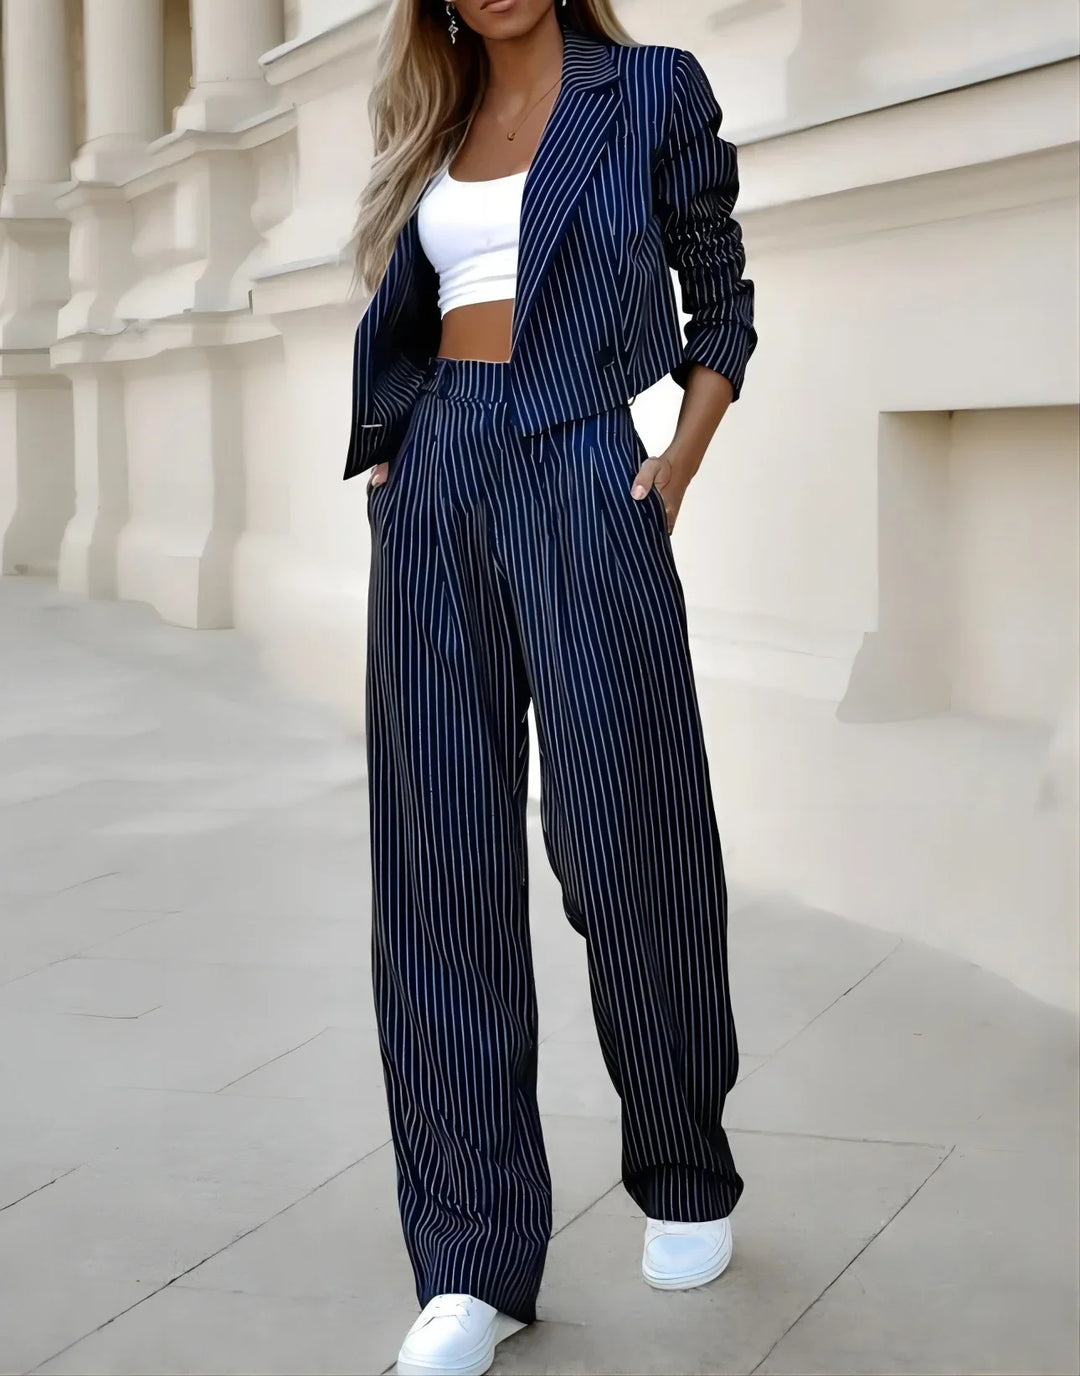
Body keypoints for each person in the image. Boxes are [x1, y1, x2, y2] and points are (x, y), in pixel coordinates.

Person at [346, 1, 756, 1371]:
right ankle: (470, 1258)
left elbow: (722, 293)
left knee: (623, 837)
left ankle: (685, 1163)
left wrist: (676, 462)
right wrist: (401, 451)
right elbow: (411, 308)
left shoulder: (646, 91)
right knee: (437, 866)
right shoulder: (434, 123)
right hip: (437, 479)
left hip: (585, 465)